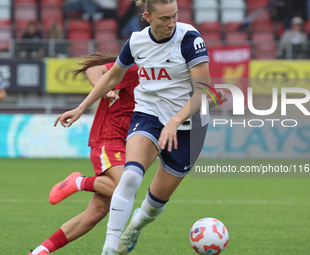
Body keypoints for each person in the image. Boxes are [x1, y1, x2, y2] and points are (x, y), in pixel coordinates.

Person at [54, 1, 229, 255]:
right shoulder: (136, 42)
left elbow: (203, 92)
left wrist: (175, 122)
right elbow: (112, 76)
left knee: (154, 205)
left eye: (175, 16)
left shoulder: (190, 39)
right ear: (147, 17)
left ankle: (136, 225)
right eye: (164, 19)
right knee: (131, 176)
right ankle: (109, 248)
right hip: (149, 116)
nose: (171, 23)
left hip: (188, 127)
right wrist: (81, 107)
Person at [28, 52, 139, 255]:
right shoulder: (138, 69)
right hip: (109, 136)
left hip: (130, 142)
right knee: (125, 189)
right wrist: (104, 89)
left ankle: (39, 251)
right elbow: (94, 69)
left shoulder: (166, 78)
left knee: (97, 212)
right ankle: (79, 182)